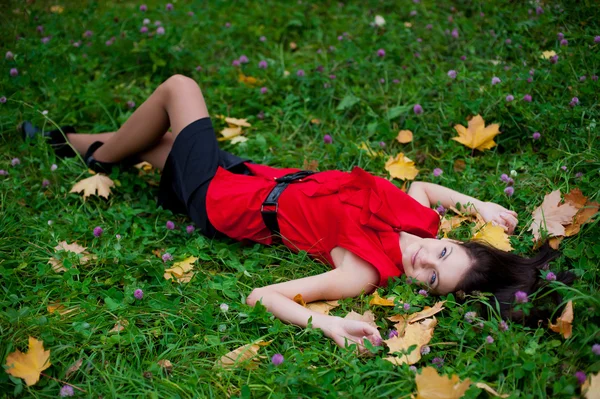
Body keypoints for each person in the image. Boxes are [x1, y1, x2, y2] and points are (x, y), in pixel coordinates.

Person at [20, 74, 573, 351]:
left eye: (431, 278)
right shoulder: (419, 220)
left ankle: (97, 155)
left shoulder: (363, 271)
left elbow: (263, 296)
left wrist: (329, 323)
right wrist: (477, 202)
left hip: (219, 201)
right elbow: (426, 188)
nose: (425, 256)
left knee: (179, 89)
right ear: (461, 241)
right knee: (158, 143)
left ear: (425, 293)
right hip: (253, 176)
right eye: (445, 252)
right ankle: (70, 142)